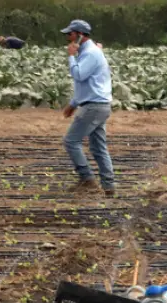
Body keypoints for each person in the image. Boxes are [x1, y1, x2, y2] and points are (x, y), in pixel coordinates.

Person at [60, 19, 115, 197]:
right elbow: (85, 86)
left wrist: (70, 56)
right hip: (99, 105)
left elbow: (79, 75)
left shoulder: (90, 53)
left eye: (70, 34)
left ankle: (87, 179)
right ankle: (108, 187)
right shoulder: (90, 52)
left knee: (71, 141)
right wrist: (73, 104)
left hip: (93, 106)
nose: (68, 37)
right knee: (98, 147)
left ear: (80, 35)